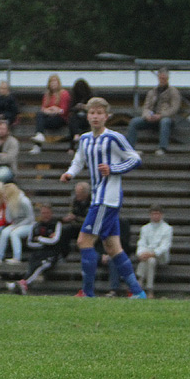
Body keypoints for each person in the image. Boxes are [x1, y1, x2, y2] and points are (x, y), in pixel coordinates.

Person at [60, 96, 147, 298]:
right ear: (88, 116)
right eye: (92, 113)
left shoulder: (114, 138)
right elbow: (78, 160)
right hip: (99, 196)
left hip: (107, 198)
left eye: (99, 113)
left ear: (106, 116)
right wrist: (70, 173)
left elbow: (135, 159)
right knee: (112, 246)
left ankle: (88, 293)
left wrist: (113, 169)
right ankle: (138, 292)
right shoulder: (85, 139)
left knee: (84, 241)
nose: (95, 116)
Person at [126, 67, 181, 155]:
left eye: (164, 78)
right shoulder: (152, 92)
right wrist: (147, 115)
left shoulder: (173, 91)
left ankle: (162, 148)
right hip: (151, 118)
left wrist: (161, 115)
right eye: (160, 77)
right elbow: (146, 107)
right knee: (134, 122)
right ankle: (130, 149)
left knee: (165, 122)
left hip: (166, 119)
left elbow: (174, 108)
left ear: (167, 78)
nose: (162, 80)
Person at [12, 204, 63, 295]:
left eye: (47, 213)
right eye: (43, 213)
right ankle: (22, 283)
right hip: (38, 253)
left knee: (40, 266)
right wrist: (45, 242)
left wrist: (40, 239)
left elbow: (55, 240)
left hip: (52, 254)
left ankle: (23, 283)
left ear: (51, 213)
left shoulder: (56, 224)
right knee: (32, 265)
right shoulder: (36, 225)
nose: (45, 215)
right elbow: (30, 242)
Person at [134, 205, 173, 299]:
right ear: (150, 215)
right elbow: (141, 243)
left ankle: (139, 283)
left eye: (157, 214)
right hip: (148, 256)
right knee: (150, 261)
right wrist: (141, 254)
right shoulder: (145, 228)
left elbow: (165, 246)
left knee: (150, 259)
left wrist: (152, 253)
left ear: (162, 215)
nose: (155, 216)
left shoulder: (167, 228)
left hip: (161, 257)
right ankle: (149, 290)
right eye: (153, 214)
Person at [0, 183, 35, 264]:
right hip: (16, 224)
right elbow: (8, 219)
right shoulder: (10, 202)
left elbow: (30, 218)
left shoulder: (24, 201)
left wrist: (18, 226)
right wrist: (7, 207)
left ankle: (17, 257)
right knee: (4, 232)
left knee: (14, 233)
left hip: (28, 225)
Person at [31, 74, 71, 153]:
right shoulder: (47, 95)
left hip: (60, 119)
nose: (53, 84)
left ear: (58, 83)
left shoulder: (64, 93)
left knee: (41, 121)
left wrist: (56, 109)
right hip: (49, 117)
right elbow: (43, 108)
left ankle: (38, 140)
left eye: (55, 82)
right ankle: (39, 139)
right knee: (39, 115)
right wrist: (49, 110)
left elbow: (64, 110)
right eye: (51, 82)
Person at [60, 181, 91, 259]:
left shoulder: (92, 202)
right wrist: (69, 218)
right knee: (64, 230)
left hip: (88, 227)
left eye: (79, 193)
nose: (77, 195)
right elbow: (71, 212)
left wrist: (76, 218)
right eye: (76, 193)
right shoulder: (75, 201)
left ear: (85, 194)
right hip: (76, 225)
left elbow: (91, 220)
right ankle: (64, 254)